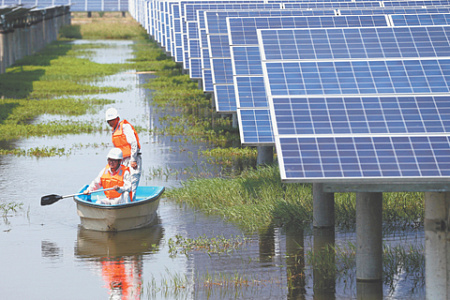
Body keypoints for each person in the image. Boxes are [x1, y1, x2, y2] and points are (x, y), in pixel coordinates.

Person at [105, 107, 142, 202]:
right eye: (108, 121)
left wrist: (133, 160)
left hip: (132, 159)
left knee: (132, 183)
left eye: (112, 120)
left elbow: (133, 143)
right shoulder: (114, 131)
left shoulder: (125, 127)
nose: (110, 123)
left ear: (117, 118)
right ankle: (120, 204)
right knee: (123, 183)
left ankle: (130, 206)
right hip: (122, 161)